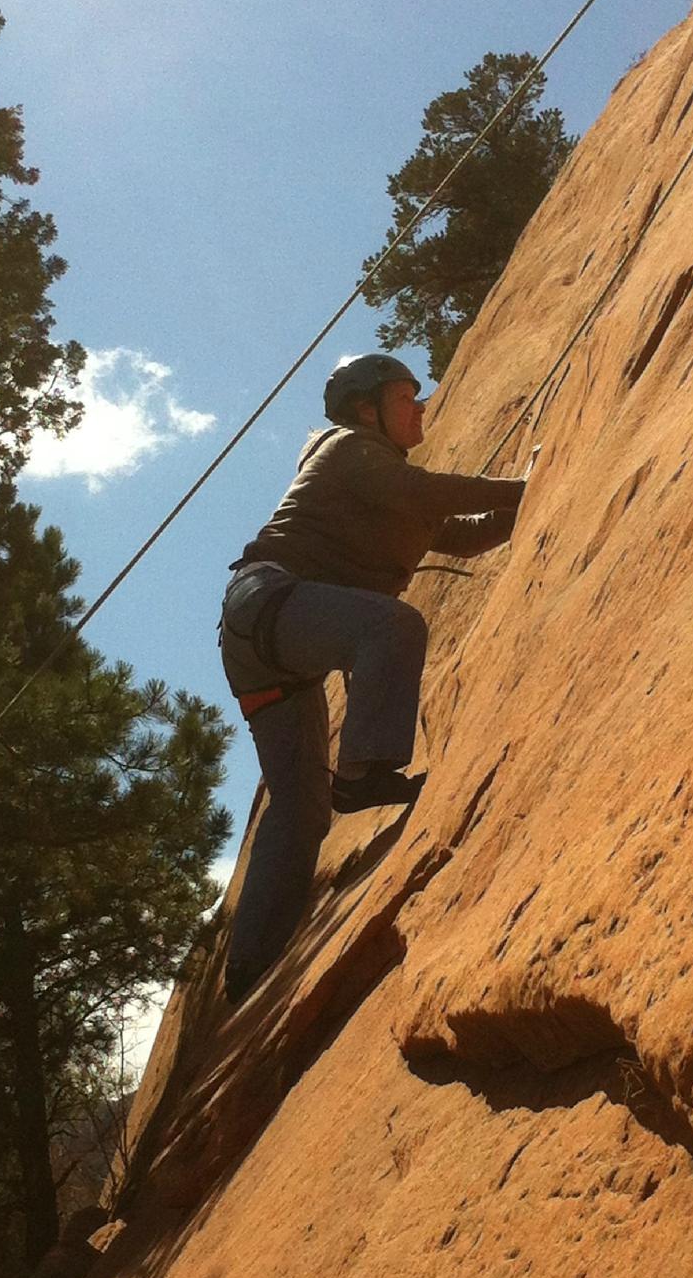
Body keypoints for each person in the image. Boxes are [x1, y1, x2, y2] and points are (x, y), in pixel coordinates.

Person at [218, 352, 525, 1004]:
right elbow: (424, 496)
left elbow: (464, 536)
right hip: (272, 603)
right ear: (367, 409)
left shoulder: (383, 483)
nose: (420, 406)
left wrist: (530, 497)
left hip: (263, 645)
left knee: (300, 811)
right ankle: (362, 777)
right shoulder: (347, 451)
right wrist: (521, 487)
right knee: (392, 625)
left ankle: (248, 970)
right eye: (405, 396)